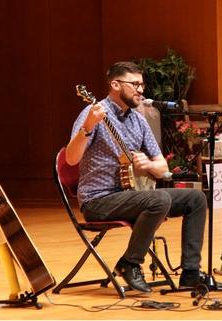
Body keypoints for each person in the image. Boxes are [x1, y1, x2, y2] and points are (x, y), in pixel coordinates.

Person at [65, 61, 206, 293]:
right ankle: (130, 263)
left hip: (132, 195)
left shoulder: (138, 119)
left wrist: (148, 164)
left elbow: (162, 167)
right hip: (99, 200)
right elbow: (71, 158)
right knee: (158, 200)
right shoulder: (93, 113)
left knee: (195, 198)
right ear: (115, 85)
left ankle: (190, 273)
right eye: (135, 85)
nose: (141, 90)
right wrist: (88, 127)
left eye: (142, 85)